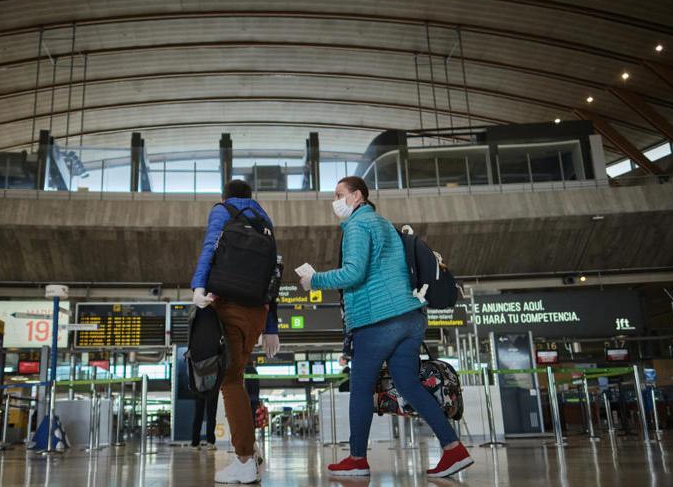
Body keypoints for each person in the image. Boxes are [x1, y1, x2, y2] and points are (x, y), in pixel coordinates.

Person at [297, 176, 473, 478]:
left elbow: (353, 273)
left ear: (356, 196)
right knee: (407, 383)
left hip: (378, 320)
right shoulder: (385, 225)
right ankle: (453, 449)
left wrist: (315, 280)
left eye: (339, 194)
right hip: (411, 317)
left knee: (361, 389)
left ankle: (356, 460)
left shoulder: (357, 225)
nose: (335, 201)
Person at [191, 179, 281, 484]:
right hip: (257, 311)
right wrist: (271, 327)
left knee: (229, 380)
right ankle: (251, 452)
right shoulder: (264, 220)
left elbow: (210, 245)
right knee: (236, 375)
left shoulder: (223, 210)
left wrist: (198, 286)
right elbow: (274, 274)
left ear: (224, 196)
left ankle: (243, 458)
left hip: (228, 305)